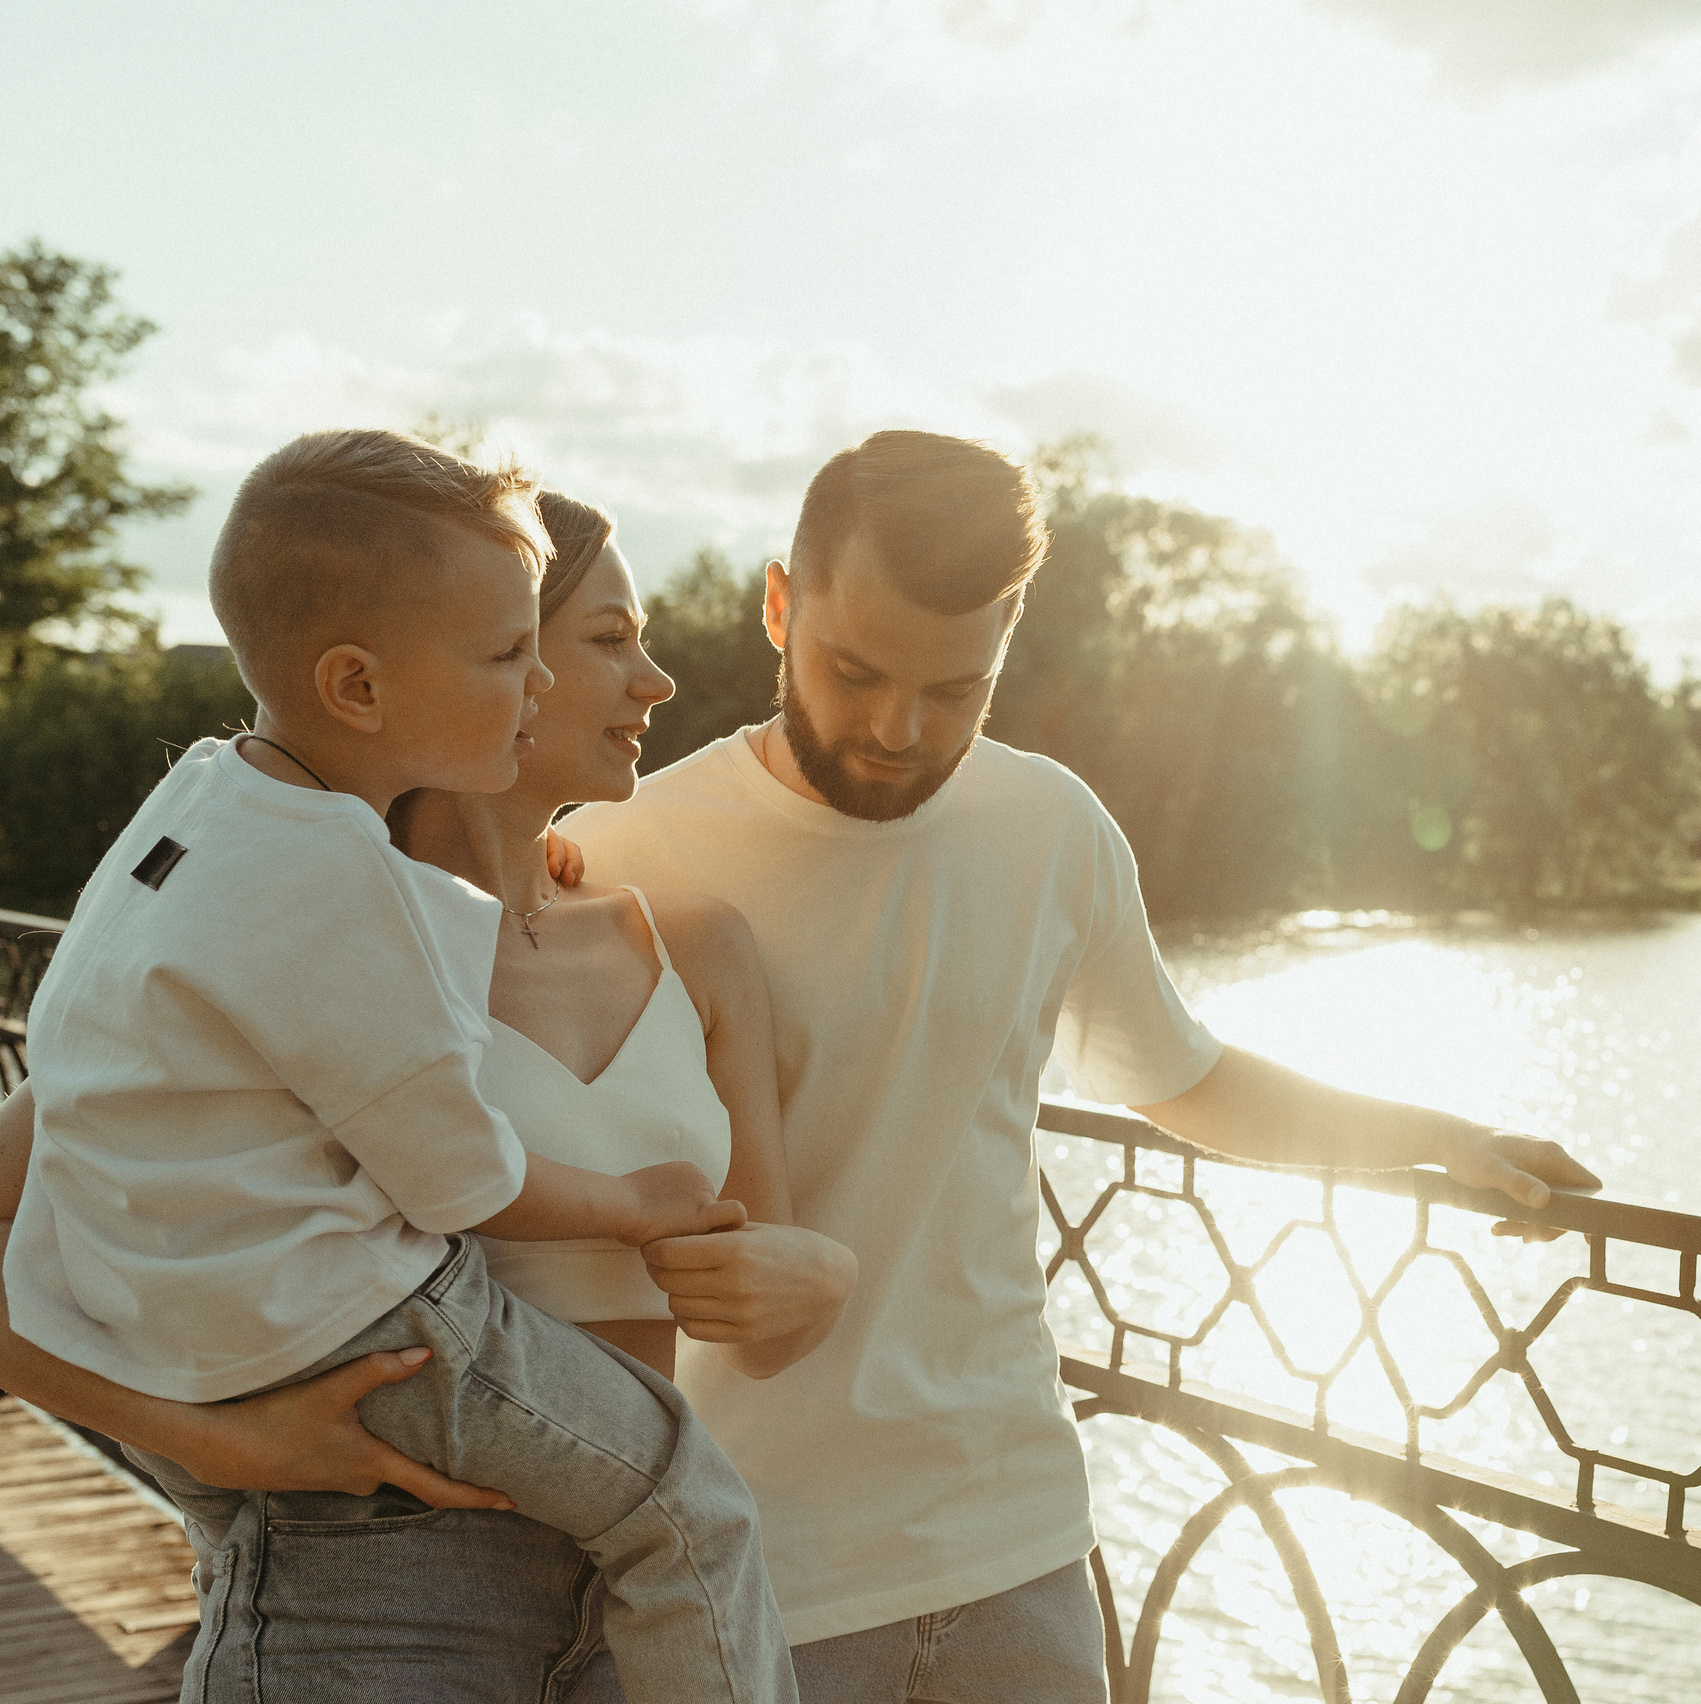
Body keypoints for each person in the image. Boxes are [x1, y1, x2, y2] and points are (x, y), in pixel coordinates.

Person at [556, 430, 1601, 1702]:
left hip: (1015, 1548)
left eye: (956, 687)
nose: (897, 727)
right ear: (781, 606)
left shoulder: (1050, 828)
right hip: (742, 1558)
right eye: (854, 669)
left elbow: (1187, 1075)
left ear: (1007, 644)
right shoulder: (618, 849)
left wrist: (1432, 1137)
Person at [0, 432, 798, 1704]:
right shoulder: (324, 908)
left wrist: (808, 1270)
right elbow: (461, 1177)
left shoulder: (222, 821)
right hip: (371, 1593)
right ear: (361, 685)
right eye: (556, 642)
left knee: (685, 1508)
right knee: (689, 1497)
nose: (624, 679)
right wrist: (198, 1438)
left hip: (604, 1618)